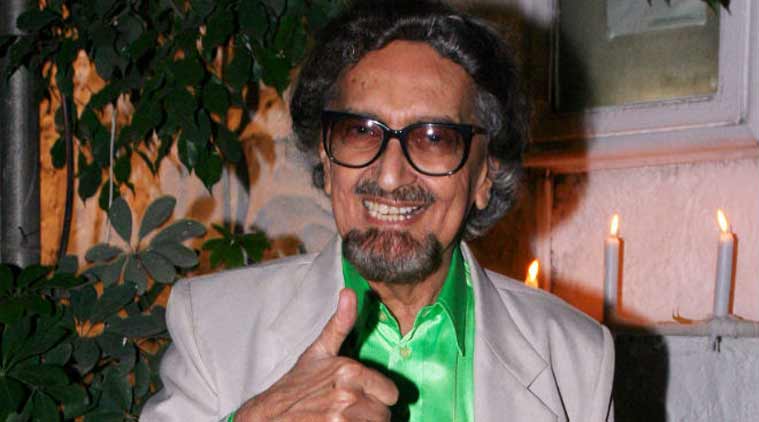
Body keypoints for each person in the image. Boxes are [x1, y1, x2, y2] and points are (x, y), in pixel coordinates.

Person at [141, 1, 615, 421]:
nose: (389, 176)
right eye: (361, 131)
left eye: (434, 138)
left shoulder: (575, 360)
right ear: (326, 160)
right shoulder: (213, 326)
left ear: (484, 175)